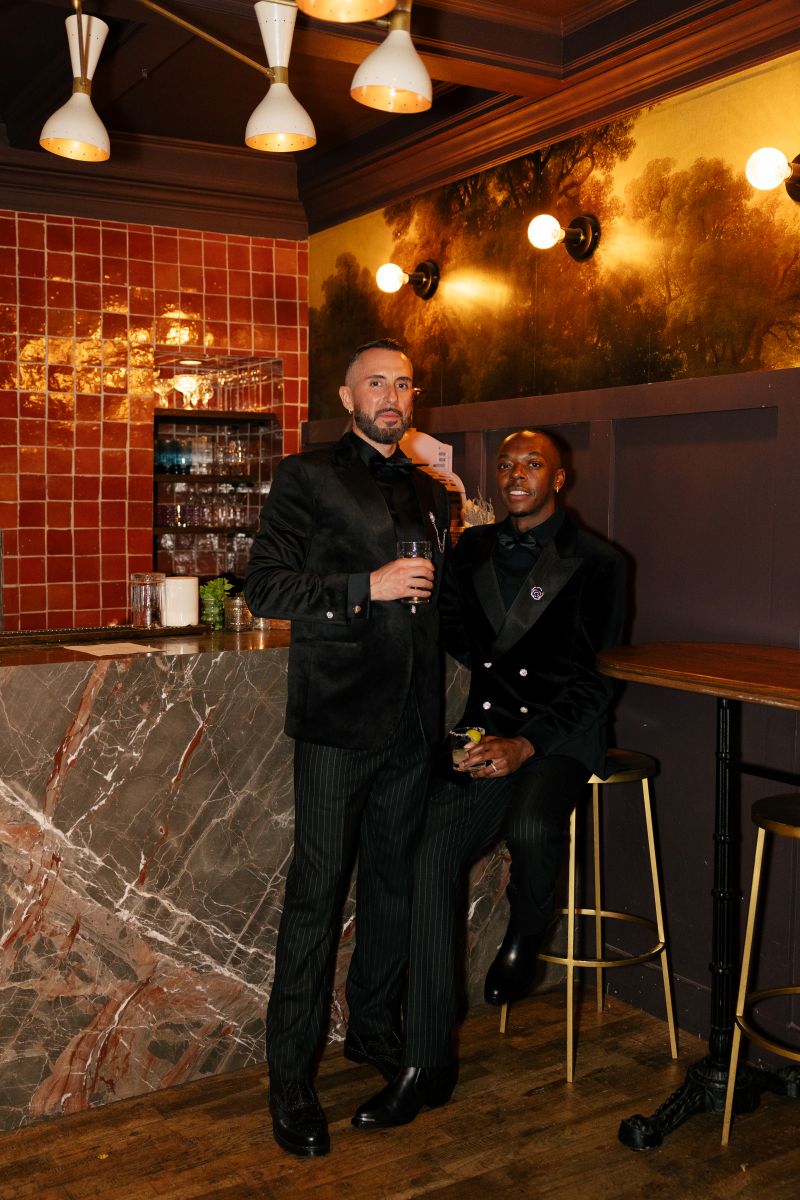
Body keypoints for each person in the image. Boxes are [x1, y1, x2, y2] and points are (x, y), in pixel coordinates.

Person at [352, 428, 627, 1129]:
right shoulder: (469, 547)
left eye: (533, 464)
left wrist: (526, 745)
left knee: (534, 825)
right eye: (505, 464)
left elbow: (597, 681)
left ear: (559, 478)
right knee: (427, 858)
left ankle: (528, 933)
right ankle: (426, 1063)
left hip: (556, 737)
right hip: (485, 730)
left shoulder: (600, 562)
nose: (515, 474)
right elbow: (454, 635)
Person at [243, 338, 458, 1158]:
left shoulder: (433, 491)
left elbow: (443, 605)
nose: (392, 393)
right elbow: (264, 584)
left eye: (404, 382)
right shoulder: (307, 475)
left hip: (412, 724)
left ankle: (372, 1032)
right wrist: (361, 589)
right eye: (377, 381)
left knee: (394, 890)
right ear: (347, 395)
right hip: (337, 724)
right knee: (316, 898)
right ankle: (290, 1077)